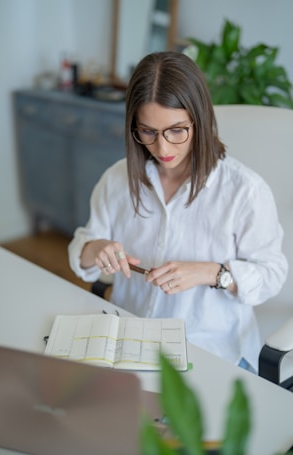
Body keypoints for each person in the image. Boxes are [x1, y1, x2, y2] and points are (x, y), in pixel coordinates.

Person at [68, 51, 287, 373]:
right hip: (129, 338)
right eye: (148, 132)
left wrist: (213, 273)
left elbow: (272, 275)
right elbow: (82, 252)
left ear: (199, 120)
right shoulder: (117, 179)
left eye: (176, 130)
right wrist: (96, 250)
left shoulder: (245, 191)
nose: (163, 149)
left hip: (210, 350)